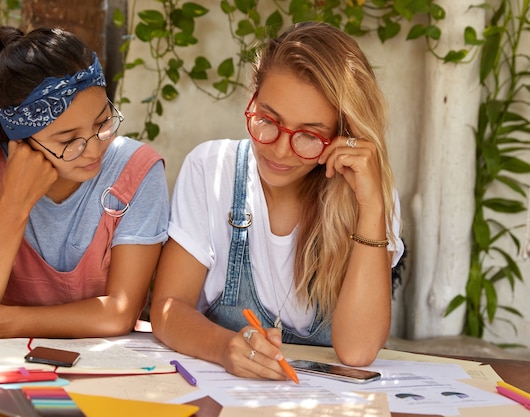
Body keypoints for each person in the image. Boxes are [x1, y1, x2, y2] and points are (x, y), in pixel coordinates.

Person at [150, 21, 404, 380]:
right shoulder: (211, 170)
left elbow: (357, 351)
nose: (281, 150)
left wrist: (372, 208)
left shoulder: (367, 195)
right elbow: (168, 309)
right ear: (252, 99)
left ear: (343, 135)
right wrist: (224, 347)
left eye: (309, 135)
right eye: (268, 119)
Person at [0, 26, 169, 338]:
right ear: (19, 139)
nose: (93, 147)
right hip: (1, 365)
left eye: (103, 122)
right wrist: (14, 202)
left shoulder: (137, 170)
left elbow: (119, 313)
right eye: (68, 139)